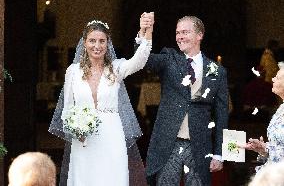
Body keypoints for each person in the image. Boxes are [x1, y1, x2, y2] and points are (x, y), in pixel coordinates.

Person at [49, 16, 153, 186]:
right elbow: (67, 109)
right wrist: (76, 130)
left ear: (107, 43)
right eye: (92, 41)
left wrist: (147, 31)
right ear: (84, 42)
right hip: (83, 139)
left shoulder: (116, 68)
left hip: (112, 134)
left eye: (101, 41)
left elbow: (139, 61)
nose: (97, 46)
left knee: (112, 178)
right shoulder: (73, 72)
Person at [138, 14, 228, 185]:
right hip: (169, 144)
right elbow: (145, 60)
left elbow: (221, 115)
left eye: (185, 32)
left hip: (200, 146)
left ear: (199, 35)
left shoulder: (217, 71)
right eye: (178, 33)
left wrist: (219, 153)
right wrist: (144, 31)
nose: (179, 37)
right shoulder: (169, 58)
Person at [243, 63, 284, 172]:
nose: (273, 79)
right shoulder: (281, 108)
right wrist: (263, 149)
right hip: (272, 173)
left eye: (277, 77)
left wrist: (267, 148)